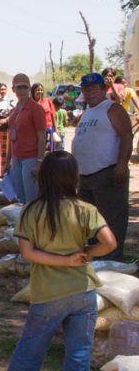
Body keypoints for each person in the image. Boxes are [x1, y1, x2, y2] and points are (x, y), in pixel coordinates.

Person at [0, 151, 117, 371]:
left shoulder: (32, 211)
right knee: (79, 350)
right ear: (74, 178)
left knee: (30, 347)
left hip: (48, 294)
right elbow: (109, 243)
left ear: (42, 177)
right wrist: (84, 254)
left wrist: (61, 260)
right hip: (83, 293)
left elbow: (28, 253)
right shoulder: (86, 210)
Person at [71, 72, 132, 261]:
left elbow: (126, 137)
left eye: (94, 88)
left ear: (104, 89)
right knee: (89, 220)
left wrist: (121, 164)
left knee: (111, 218)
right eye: (86, 89)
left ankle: (112, 260)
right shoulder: (87, 113)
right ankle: (95, 257)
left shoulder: (113, 109)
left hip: (106, 173)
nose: (89, 93)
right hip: (85, 176)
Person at [7, 73, 47, 204]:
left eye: (25, 87)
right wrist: (8, 160)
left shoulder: (36, 109)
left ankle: (32, 223)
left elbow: (42, 135)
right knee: (20, 197)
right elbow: (10, 137)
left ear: (29, 88)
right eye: (19, 87)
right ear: (13, 89)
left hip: (31, 158)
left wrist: (39, 162)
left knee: (31, 199)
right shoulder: (14, 111)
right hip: (16, 158)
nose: (22, 90)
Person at [32, 82, 56, 153]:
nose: (40, 92)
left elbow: (53, 115)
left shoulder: (47, 101)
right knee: (36, 149)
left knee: (48, 150)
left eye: (41, 90)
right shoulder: (30, 102)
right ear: (33, 91)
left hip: (48, 129)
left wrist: (56, 129)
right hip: (34, 131)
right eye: (38, 90)